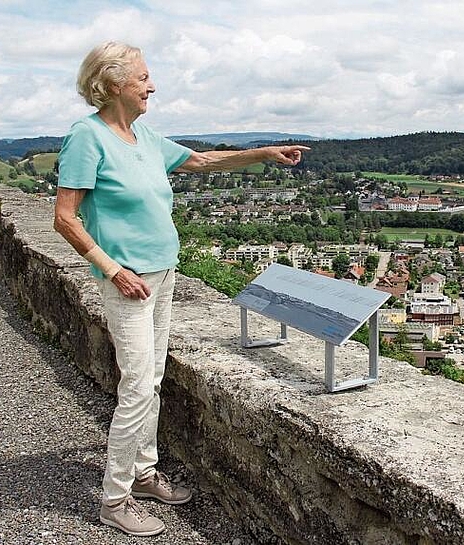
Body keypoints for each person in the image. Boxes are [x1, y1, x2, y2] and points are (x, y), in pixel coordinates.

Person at [53, 41, 309, 537]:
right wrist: (112, 269)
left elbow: (201, 162)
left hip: (163, 274)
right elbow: (65, 219)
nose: (152, 85)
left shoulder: (143, 136)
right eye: (143, 77)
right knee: (135, 389)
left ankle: (144, 472)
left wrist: (264, 153)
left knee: (151, 381)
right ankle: (114, 499)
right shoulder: (87, 138)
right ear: (112, 84)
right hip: (127, 282)